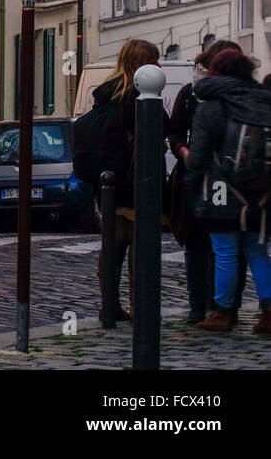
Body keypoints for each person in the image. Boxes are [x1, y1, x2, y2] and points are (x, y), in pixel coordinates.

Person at [186, 47, 271, 334]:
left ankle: (222, 313)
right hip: (262, 191)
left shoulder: (212, 103)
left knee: (224, 251)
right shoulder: (264, 100)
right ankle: (269, 312)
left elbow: (198, 155)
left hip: (222, 188)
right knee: (257, 251)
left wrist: (190, 184)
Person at [167, 40, 248, 324]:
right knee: (197, 244)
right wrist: (185, 153)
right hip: (197, 178)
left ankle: (224, 307)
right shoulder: (190, 94)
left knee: (226, 248)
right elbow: (175, 133)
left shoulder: (241, 95)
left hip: (228, 181)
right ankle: (198, 306)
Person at [90, 38, 166, 321]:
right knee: (140, 246)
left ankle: (109, 304)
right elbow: (162, 128)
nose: (158, 66)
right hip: (136, 181)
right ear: (141, 65)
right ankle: (140, 306)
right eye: (153, 61)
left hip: (109, 183)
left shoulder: (104, 94)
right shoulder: (137, 95)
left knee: (112, 247)